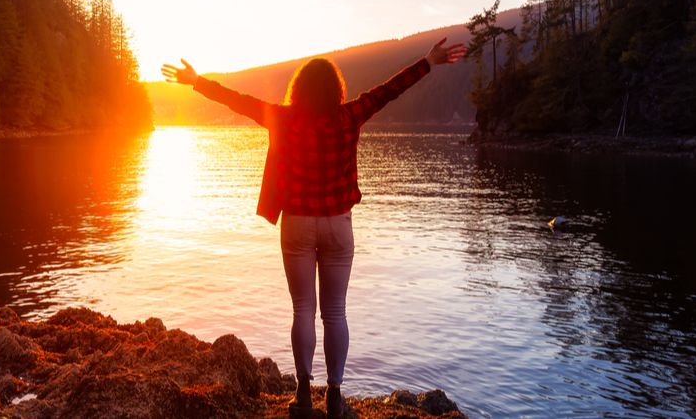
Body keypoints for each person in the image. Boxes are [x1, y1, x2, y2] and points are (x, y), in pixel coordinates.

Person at [161, 38, 467, 418]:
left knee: (303, 310)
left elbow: (236, 100)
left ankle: (303, 394)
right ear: (336, 89)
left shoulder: (283, 117)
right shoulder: (350, 115)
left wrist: (196, 81)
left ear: (298, 89)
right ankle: (335, 395)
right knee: (335, 313)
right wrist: (427, 62)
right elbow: (390, 89)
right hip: (338, 225)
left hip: (297, 225)